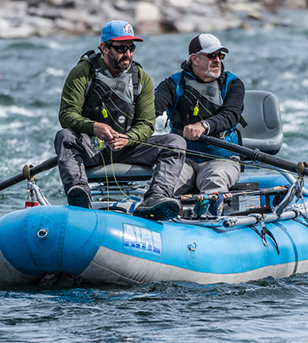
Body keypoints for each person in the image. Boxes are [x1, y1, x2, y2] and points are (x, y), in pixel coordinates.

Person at [54, 20, 186, 220]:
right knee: (64, 136)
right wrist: (94, 126)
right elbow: (66, 114)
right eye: (121, 48)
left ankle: (156, 197)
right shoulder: (82, 72)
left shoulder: (142, 78)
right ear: (104, 48)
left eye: (131, 48)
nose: (128, 54)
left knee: (176, 142)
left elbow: (147, 124)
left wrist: (128, 138)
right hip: (93, 147)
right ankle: (79, 193)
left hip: (129, 148)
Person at [153, 33, 245, 214]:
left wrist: (203, 126)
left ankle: (212, 222)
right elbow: (151, 111)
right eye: (212, 56)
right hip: (184, 159)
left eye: (221, 56)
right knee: (161, 185)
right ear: (194, 59)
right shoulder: (172, 84)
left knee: (215, 180)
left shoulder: (233, 84)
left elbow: (230, 115)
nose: (217, 60)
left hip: (222, 159)